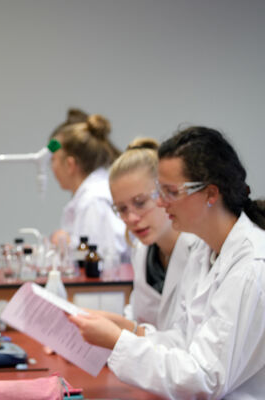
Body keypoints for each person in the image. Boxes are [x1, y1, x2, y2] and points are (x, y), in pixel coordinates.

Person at [70, 126, 265, 398]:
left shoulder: (251, 267)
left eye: (171, 192)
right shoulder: (206, 253)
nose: (161, 203)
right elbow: (182, 341)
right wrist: (125, 330)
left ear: (210, 194)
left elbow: (205, 378)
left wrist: (118, 341)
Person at [89, 138, 202, 336]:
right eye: (122, 209)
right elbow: (139, 315)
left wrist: (125, 332)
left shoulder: (201, 252)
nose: (131, 218)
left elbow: (188, 342)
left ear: (165, 194)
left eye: (140, 203)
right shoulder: (142, 251)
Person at [48, 108, 129, 263]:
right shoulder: (92, 195)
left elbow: (103, 261)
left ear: (70, 164)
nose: (51, 168)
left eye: (53, 160)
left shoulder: (94, 200)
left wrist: (65, 245)